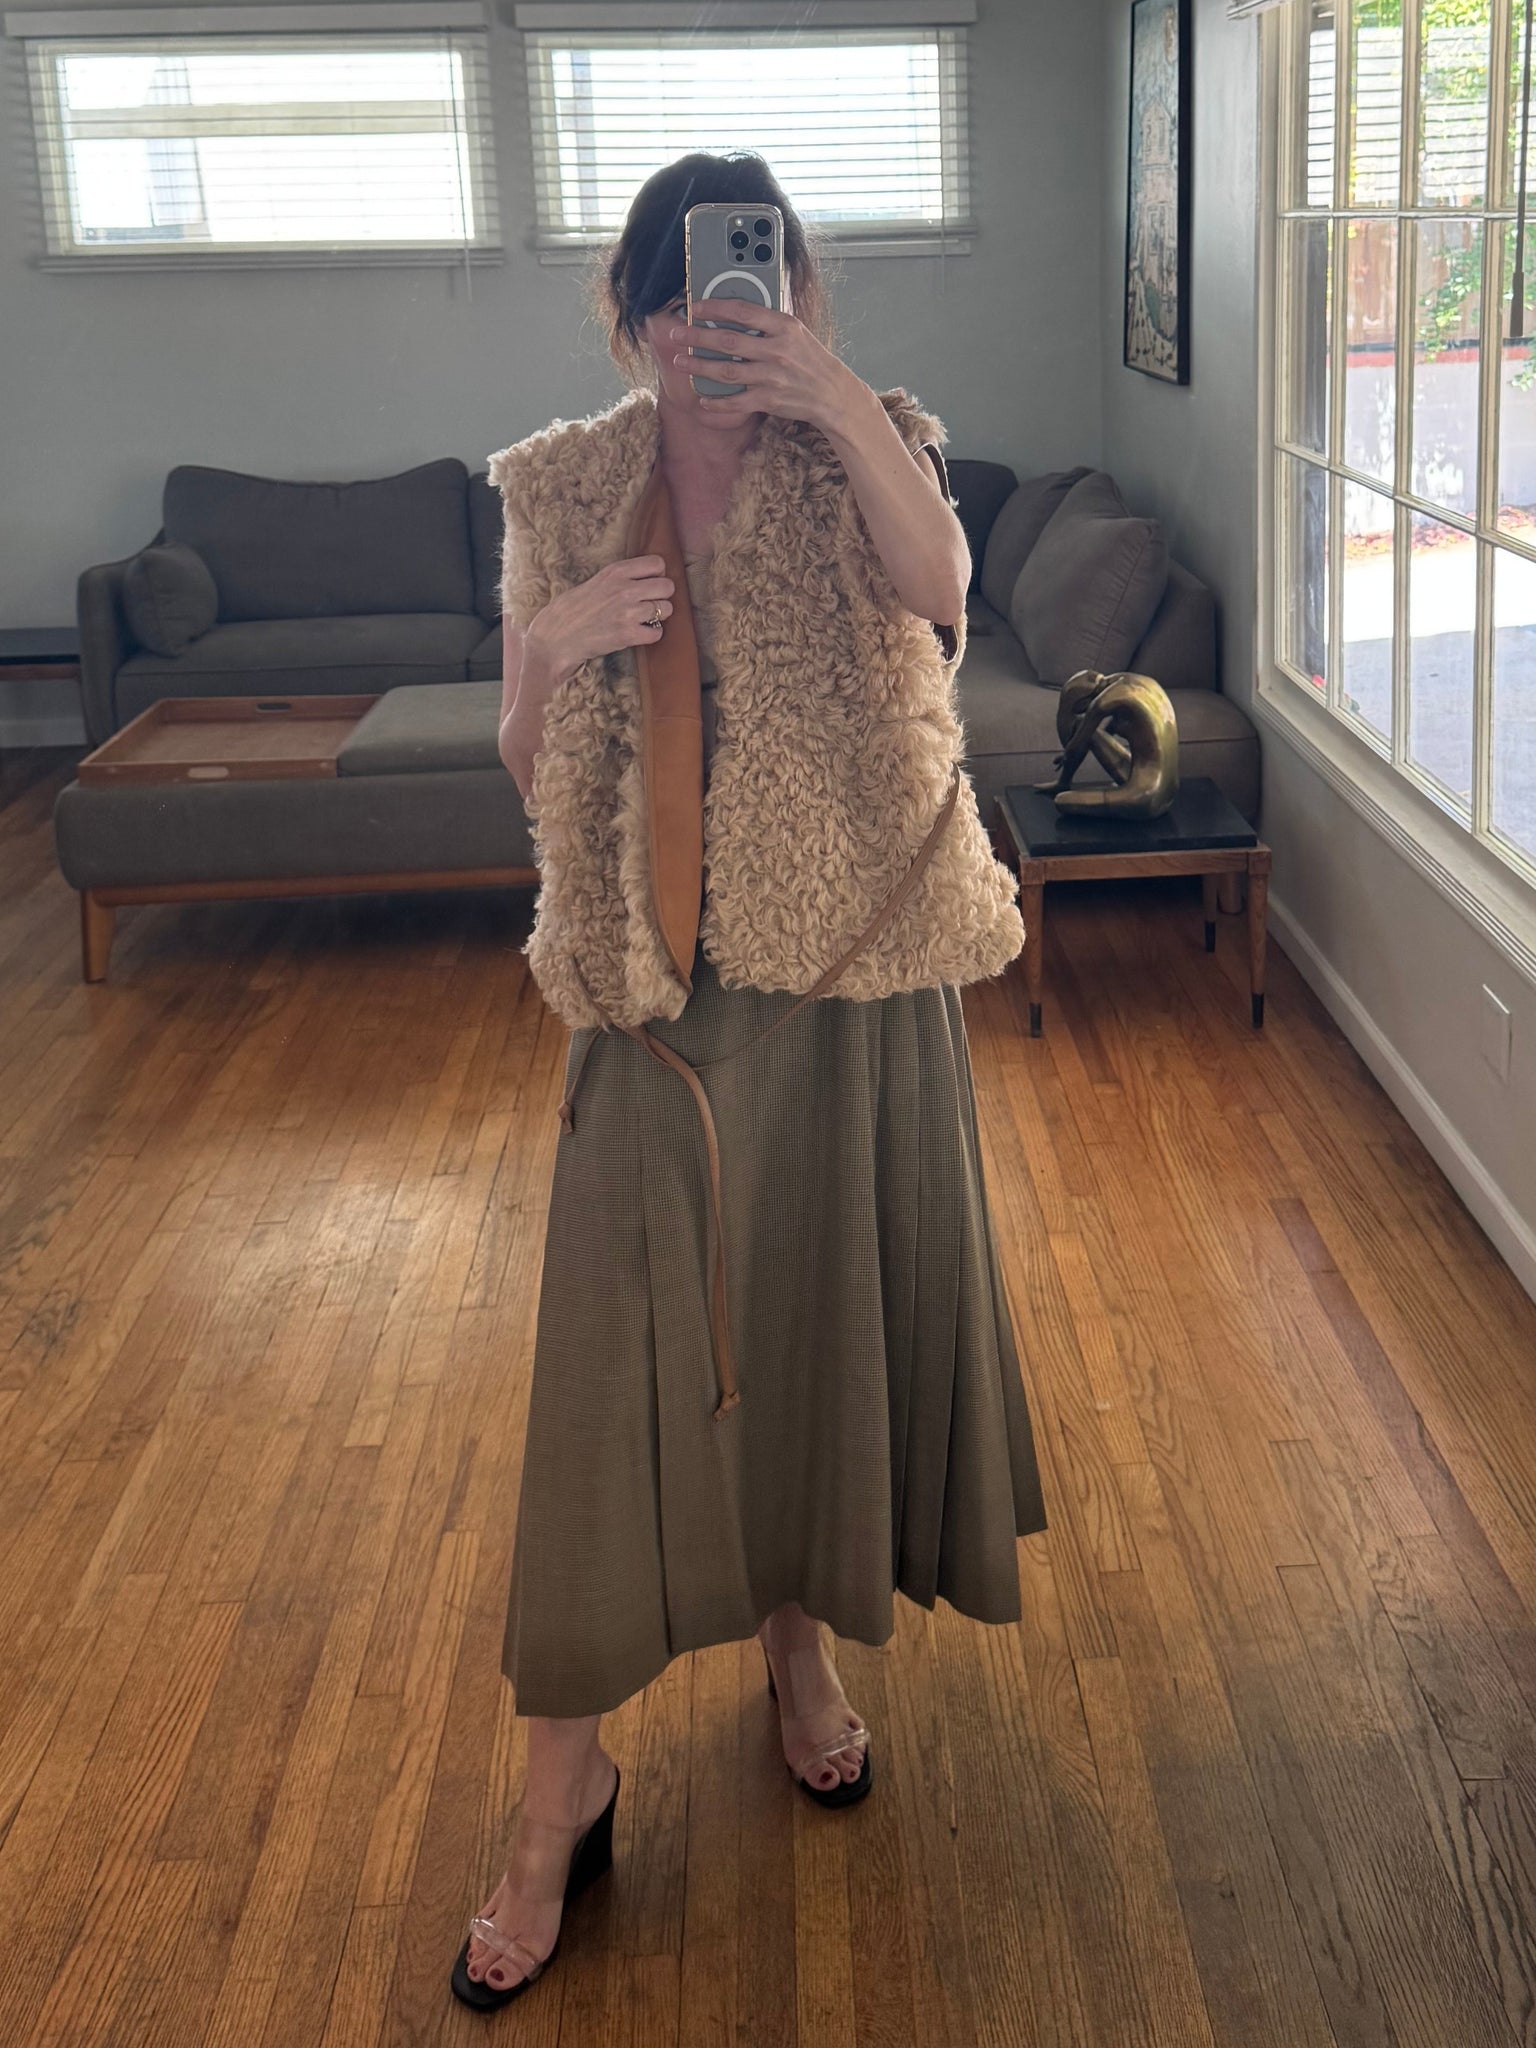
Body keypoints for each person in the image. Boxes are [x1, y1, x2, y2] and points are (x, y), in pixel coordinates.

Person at [451, 151, 1048, 2013]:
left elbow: (944, 595)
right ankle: (558, 1798)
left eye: (755, 287)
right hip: (652, 999)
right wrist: (556, 644)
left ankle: (801, 1654)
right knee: (604, 1384)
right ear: (633, 318)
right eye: (682, 300)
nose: (712, 327)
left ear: (795, 296)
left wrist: (833, 397)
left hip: (853, 972)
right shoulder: (562, 487)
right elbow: (526, 761)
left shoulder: (869, 436)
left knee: (808, 1330)